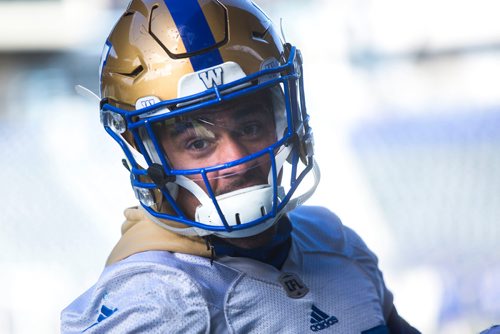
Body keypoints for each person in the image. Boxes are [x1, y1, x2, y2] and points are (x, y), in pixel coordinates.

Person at [61, 0, 420, 333]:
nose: (234, 159)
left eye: (250, 128)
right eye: (197, 143)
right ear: (152, 158)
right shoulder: (156, 301)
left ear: (283, 123)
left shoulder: (333, 241)